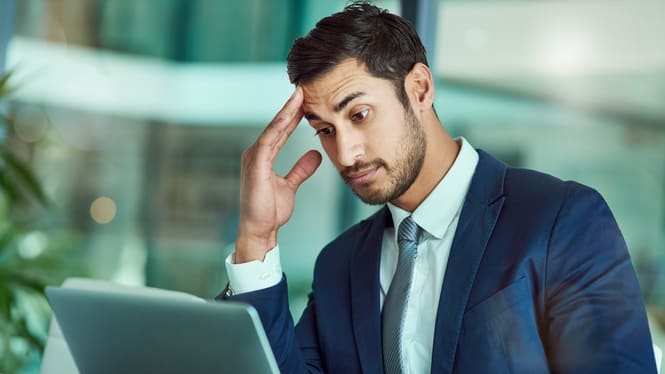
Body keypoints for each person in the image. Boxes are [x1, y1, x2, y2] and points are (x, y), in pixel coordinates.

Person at [217, 2, 657, 373]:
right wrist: (256, 239)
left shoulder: (560, 220)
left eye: (360, 115)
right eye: (325, 130)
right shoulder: (341, 264)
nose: (345, 152)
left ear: (420, 89)